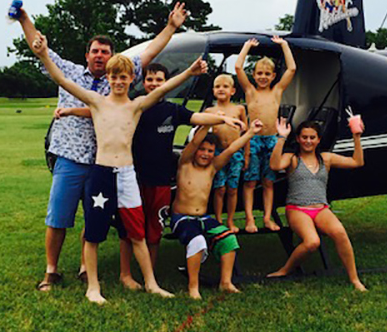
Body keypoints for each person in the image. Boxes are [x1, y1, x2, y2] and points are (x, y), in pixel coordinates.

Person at [14, 2, 188, 293]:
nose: (100, 56)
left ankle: (88, 270)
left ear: (115, 62)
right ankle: (51, 271)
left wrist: (171, 27)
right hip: (71, 158)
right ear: (87, 55)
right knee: (59, 217)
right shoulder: (73, 74)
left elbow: (151, 54)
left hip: (107, 163)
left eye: (105, 52)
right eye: (95, 51)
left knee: (96, 221)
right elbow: (42, 52)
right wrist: (24, 20)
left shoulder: (119, 76)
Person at [63, 63, 245, 288]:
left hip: (160, 179)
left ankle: (151, 276)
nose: (154, 84)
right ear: (142, 82)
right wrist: (71, 111)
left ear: (165, 82)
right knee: (126, 229)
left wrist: (221, 119)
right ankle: (126, 274)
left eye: (159, 80)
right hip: (134, 176)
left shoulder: (172, 109)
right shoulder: (137, 107)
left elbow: (197, 118)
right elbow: (99, 111)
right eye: (150, 79)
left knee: (152, 230)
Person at [267, 117, 367, 291]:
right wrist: (281, 138)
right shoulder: (292, 159)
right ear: (298, 139)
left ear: (318, 139)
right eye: (304, 137)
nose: (308, 141)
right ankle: (285, 269)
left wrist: (356, 137)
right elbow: (275, 165)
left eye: (312, 137)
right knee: (312, 242)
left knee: (340, 233)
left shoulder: (326, 158)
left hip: (321, 208)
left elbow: (357, 162)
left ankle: (354, 279)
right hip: (297, 208)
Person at [171, 119, 263, 299]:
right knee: (197, 241)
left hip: (203, 218)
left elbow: (230, 150)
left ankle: (225, 282)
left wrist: (251, 132)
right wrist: (206, 124)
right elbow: (195, 141)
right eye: (202, 150)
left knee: (228, 239)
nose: (205, 154)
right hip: (182, 218)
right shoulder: (184, 165)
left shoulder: (212, 168)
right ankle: (193, 286)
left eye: (210, 151)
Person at [235, 36, 297, 233]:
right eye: (259, 73)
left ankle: (268, 218)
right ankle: (250, 219)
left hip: (272, 140)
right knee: (251, 182)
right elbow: (237, 68)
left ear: (273, 76)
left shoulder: (277, 91)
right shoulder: (250, 91)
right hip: (253, 140)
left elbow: (292, 69)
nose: (263, 76)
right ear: (253, 74)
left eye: (267, 74)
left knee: (269, 182)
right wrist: (246, 47)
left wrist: (284, 45)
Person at [203, 74, 249, 233]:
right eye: (217, 86)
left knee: (232, 188)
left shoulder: (239, 109)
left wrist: (247, 155)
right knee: (219, 188)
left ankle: (230, 220)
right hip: (218, 154)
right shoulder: (210, 110)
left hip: (236, 154)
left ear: (233, 91)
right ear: (213, 90)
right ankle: (218, 219)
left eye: (225, 86)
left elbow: (246, 134)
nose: (221, 89)